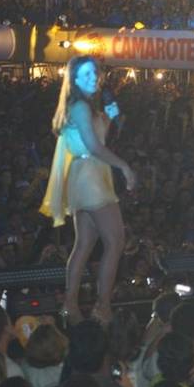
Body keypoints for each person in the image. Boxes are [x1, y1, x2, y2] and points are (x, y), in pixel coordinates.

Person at [40, 55, 136, 325]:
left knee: (85, 244)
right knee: (115, 242)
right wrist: (125, 167)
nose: (94, 77)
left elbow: (101, 139)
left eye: (95, 72)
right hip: (91, 176)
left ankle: (71, 305)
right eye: (87, 74)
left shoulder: (86, 107)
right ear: (74, 78)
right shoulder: (80, 107)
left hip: (88, 175)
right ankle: (102, 306)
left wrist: (112, 118)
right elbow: (94, 148)